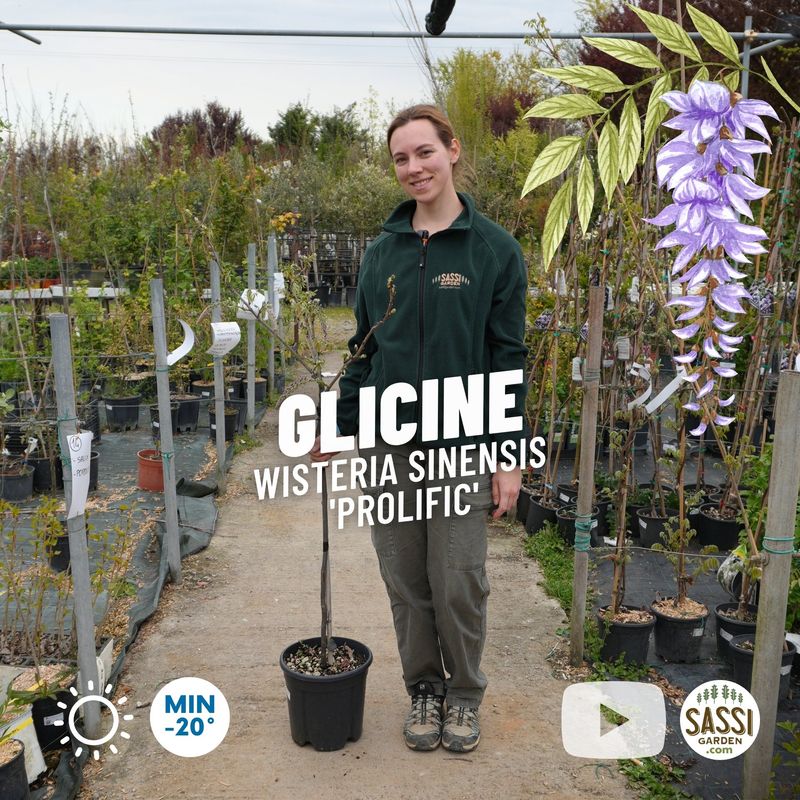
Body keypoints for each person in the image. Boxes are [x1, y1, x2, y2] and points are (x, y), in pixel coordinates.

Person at [311, 104, 528, 753]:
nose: (413, 167)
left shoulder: (494, 251)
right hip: (390, 442)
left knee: (458, 574)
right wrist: (338, 424)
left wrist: (508, 453)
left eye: (424, 152)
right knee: (404, 577)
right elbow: (364, 349)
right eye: (401, 158)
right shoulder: (382, 254)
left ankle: (464, 695)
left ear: (452, 151)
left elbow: (507, 356)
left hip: (463, 440)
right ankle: (424, 689)